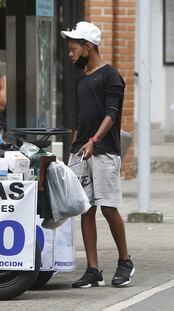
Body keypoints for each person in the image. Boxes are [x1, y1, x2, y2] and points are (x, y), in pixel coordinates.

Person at [61, 21, 134, 288]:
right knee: (86, 209)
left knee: (108, 208)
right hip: (82, 151)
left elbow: (111, 115)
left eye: (73, 49)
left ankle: (125, 261)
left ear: (88, 47)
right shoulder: (83, 80)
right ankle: (93, 270)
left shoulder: (110, 76)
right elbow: (82, 118)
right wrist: (75, 143)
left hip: (103, 151)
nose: (70, 55)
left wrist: (94, 141)